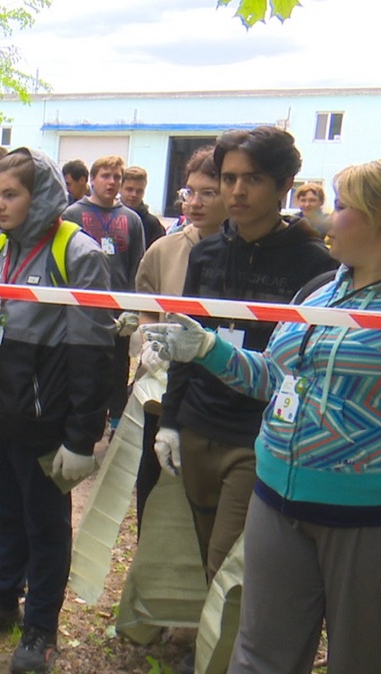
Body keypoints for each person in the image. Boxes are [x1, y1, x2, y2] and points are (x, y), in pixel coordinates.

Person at [143, 157, 381, 674]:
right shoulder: (321, 289)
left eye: (342, 206)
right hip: (276, 503)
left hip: (378, 525)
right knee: (258, 664)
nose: (326, 218)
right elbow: (280, 381)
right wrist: (207, 349)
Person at [0, 148, 113, 674]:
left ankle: (40, 628)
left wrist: (82, 437)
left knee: (45, 526)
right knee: (4, 512)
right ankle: (0, 601)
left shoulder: (77, 252)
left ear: (40, 196)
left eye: (10, 194)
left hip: (44, 420)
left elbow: (93, 351)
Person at [155, 126, 338, 585]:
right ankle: (202, 642)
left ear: (283, 187)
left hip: (258, 434)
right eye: (229, 177)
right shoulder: (206, 253)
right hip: (198, 423)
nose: (237, 190)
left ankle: (219, 657)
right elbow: (184, 342)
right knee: (200, 549)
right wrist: (170, 421)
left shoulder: (316, 265)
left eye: (252, 179)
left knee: (228, 563)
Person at [130, 145, 227, 531]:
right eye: (189, 192)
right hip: (160, 394)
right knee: (153, 497)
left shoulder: (241, 252)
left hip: (217, 399)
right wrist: (146, 337)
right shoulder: (163, 249)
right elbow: (146, 304)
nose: (195, 203)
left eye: (208, 192)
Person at [62, 155, 146, 434]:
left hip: (120, 308)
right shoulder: (73, 213)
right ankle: (82, 420)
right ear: (92, 180)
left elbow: (138, 265)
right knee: (82, 364)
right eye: (105, 176)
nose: (111, 182)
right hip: (83, 307)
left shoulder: (131, 219)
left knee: (118, 367)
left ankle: (116, 423)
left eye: (117, 177)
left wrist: (133, 308)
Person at [120, 166, 168, 246]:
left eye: (139, 191)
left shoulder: (153, 225)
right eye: (129, 189)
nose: (134, 195)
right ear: (120, 188)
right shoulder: (110, 218)